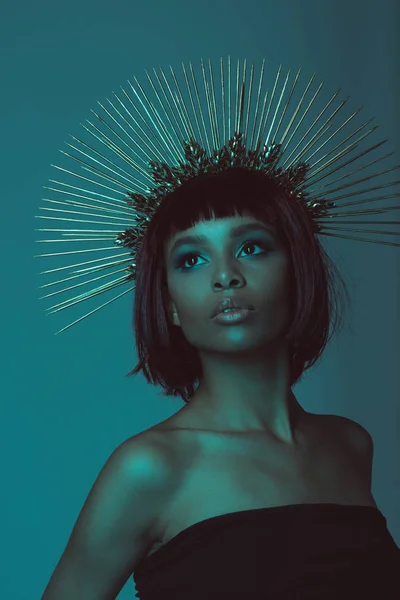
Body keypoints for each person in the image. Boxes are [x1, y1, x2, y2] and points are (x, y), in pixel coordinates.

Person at [38, 58, 400, 600]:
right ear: (172, 306)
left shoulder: (349, 445)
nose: (226, 276)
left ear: (297, 272)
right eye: (190, 260)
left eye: (251, 248)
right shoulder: (150, 468)